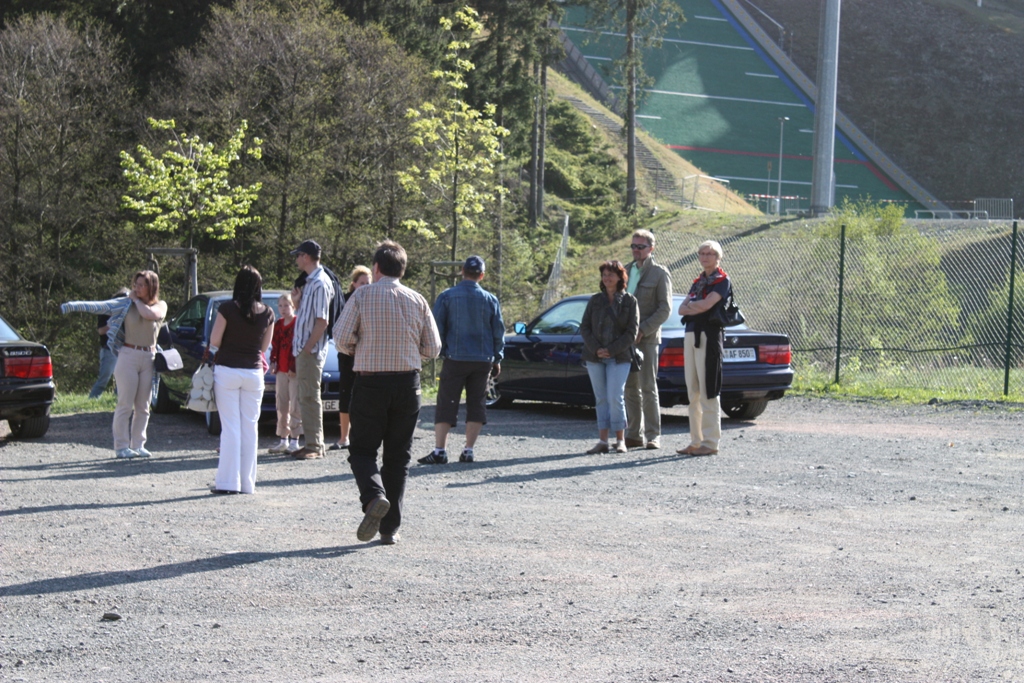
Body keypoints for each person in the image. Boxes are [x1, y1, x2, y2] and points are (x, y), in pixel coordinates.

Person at [334, 240, 441, 545]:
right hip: (408, 384)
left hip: (370, 383)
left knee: (362, 450)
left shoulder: (361, 295)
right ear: (402, 269)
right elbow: (433, 348)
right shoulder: (418, 299)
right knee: (398, 457)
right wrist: (410, 353)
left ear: (376, 267)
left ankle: (373, 497)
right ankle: (389, 529)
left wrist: (360, 348)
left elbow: (340, 338)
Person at [419, 255, 505, 465]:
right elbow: (498, 332)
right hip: (482, 360)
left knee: (446, 402)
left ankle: (440, 451)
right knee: (477, 403)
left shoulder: (447, 296)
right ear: (481, 275)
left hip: (455, 359)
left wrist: (439, 353)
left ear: (462, 272)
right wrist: (497, 358)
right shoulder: (491, 299)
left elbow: (436, 328)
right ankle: (468, 450)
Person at [208, 266, 275, 494]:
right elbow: (264, 348)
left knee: (230, 427)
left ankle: (228, 482)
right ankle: (247, 484)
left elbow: (215, 340)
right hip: (253, 373)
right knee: (250, 427)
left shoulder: (226, 309)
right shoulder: (268, 313)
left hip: (227, 369)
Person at [579, 261, 640, 454]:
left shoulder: (630, 301)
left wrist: (611, 350)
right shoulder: (595, 300)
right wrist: (597, 348)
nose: (607, 278)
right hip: (594, 357)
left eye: (611, 275)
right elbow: (584, 327)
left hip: (620, 357)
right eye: (604, 275)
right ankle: (602, 441)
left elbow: (632, 332)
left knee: (615, 397)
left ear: (620, 277)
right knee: (601, 399)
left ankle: (620, 440)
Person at [676, 240, 730, 457]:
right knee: (693, 391)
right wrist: (694, 307)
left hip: (709, 336)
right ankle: (696, 441)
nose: (705, 257)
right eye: (702, 253)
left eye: (710, 253)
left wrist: (692, 306)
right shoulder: (698, 282)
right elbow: (680, 310)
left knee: (708, 390)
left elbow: (708, 305)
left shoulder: (722, 281)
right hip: (691, 334)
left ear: (718, 257)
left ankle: (710, 442)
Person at [623, 229, 673, 450]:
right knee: (630, 388)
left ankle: (653, 435)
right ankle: (634, 434)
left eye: (640, 247)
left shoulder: (660, 273)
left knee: (648, 387)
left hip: (648, 339)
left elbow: (665, 309)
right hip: (626, 340)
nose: (636, 250)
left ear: (651, 248)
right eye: (633, 246)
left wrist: (643, 329)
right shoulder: (625, 271)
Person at [113, 271, 168, 459]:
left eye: (142, 285)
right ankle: (121, 446)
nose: (137, 288)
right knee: (125, 404)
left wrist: (136, 300)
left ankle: (138, 444)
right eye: (135, 285)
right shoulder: (128, 304)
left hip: (149, 356)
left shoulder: (160, 305)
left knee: (143, 405)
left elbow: (149, 314)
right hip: (128, 354)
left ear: (151, 287)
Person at [289, 240, 334, 460]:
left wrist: (308, 348)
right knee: (305, 396)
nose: (297, 260)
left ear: (306, 257)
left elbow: (322, 321)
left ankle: (315, 445)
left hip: (311, 351)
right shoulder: (310, 282)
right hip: (305, 349)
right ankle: (311, 443)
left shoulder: (320, 283)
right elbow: (307, 316)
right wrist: (296, 303)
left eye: (298, 256)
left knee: (309, 396)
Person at [329, 265, 372, 451]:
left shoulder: (374, 301)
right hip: (347, 355)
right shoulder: (345, 301)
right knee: (346, 393)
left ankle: (362, 436)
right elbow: (338, 329)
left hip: (367, 355)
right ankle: (344, 437)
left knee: (365, 395)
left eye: (368, 283)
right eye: (362, 283)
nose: (365, 286)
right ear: (354, 284)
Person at [268, 291, 301, 454]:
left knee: (295, 405)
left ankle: (295, 440)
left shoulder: (297, 322)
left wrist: (293, 367)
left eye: (286, 305)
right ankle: (283, 439)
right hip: (281, 369)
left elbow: (299, 346)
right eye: (280, 306)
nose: (283, 309)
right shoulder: (278, 324)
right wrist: (273, 362)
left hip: (293, 370)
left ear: (293, 306)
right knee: (281, 405)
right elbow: (274, 345)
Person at [88, 288, 129, 399]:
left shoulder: (128, 312)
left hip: (124, 349)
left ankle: (116, 400)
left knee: (123, 379)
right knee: (104, 379)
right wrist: (114, 323)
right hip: (109, 350)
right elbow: (101, 331)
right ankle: (93, 399)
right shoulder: (106, 311)